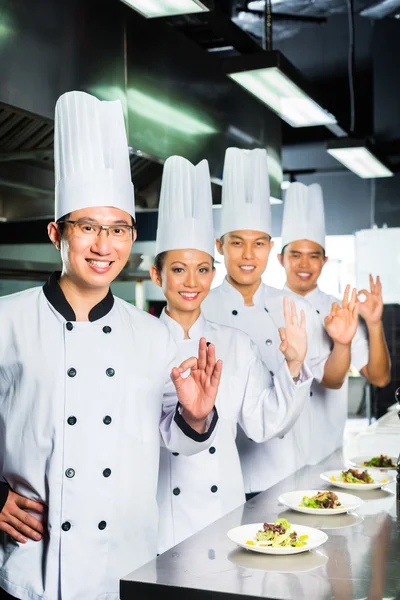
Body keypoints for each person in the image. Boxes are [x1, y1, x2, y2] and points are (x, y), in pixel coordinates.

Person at [0, 92, 222, 600]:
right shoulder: (7, 320)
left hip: (123, 564)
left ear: (132, 236)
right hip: (32, 571)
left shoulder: (154, 333)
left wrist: (196, 417)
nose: (104, 245)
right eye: (88, 228)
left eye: (118, 229)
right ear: (58, 233)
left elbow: (181, 440)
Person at [151, 155, 313, 553]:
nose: (192, 282)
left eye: (203, 270)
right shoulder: (136, 341)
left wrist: (292, 364)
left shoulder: (235, 343)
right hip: (155, 520)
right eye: (178, 270)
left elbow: (262, 424)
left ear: (213, 272)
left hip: (224, 512)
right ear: (156, 275)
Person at [202, 147, 360, 494]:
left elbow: (331, 379)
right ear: (219, 245)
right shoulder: (202, 309)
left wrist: (344, 342)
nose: (248, 255)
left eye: (258, 243)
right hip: (223, 475)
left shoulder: (293, 307)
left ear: (270, 248)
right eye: (237, 243)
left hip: (288, 469)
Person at [277, 181, 391, 463]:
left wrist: (374, 323)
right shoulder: (265, 306)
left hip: (328, 450)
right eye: (295, 255)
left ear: (325, 261)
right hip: (275, 454)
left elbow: (379, 377)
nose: (304, 265)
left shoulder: (340, 309)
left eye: (313, 256)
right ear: (280, 259)